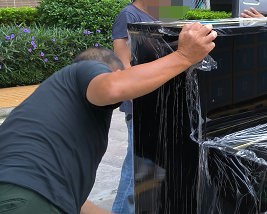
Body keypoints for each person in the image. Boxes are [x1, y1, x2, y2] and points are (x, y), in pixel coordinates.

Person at [0, 23, 216, 214]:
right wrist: (184, 56)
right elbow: (113, 87)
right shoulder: (85, 68)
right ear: (113, 71)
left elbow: (67, 200)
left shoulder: (49, 116)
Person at [110, 0, 159, 214]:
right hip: (140, 102)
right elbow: (124, 64)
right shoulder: (128, 15)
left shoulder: (154, 16)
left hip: (156, 99)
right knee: (135, 166)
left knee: (149, 164)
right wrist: (139, 98)